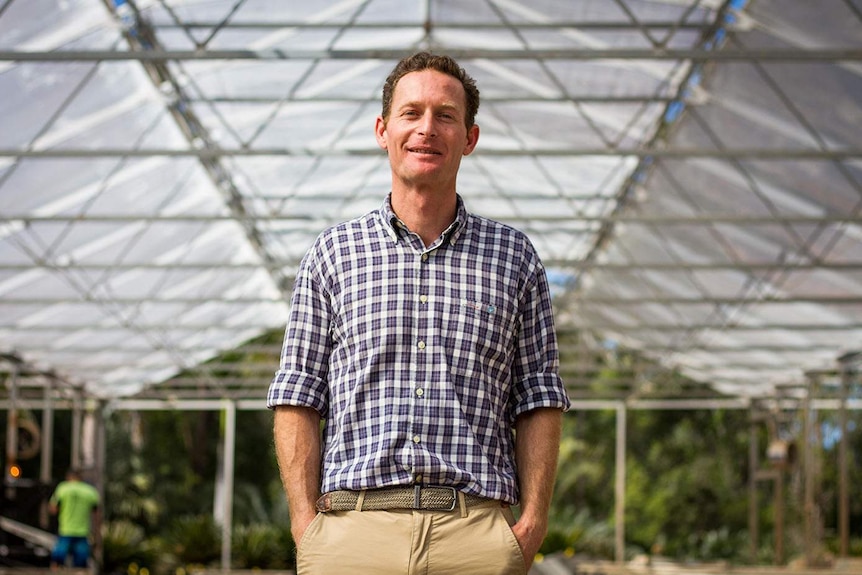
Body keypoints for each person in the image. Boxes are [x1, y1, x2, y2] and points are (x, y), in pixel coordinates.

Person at [268, 51, 570, 574]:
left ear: (469, 138)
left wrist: (530, 525)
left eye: (445, 115)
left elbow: (538, 395)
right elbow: (298, 393)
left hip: (474, 535)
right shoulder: (333, 253)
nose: (426, 129)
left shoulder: (514, 258)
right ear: (383, 130)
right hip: (351, 534)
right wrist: (305, 524)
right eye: (411, 113)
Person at [48, 468, 100, 569]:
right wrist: (97, 532)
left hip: (65, 530)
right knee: (80, 566)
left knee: (57, 562)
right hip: (82, 532)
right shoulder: (90, 491)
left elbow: (53, 509)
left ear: (68, 477)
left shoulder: (63, 488)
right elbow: (97, 513)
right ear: (80, 478)